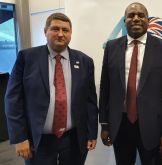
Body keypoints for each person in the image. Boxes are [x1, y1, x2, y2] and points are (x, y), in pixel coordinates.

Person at [5, 13, 98, 165]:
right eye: (55, 29)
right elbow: (13, 99)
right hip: (38, 140)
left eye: (65, 30)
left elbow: (90, 102)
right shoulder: (27, 58)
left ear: (70, 33)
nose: (60, 34)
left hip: (74, 139)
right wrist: (19, 137)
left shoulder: (85, 61)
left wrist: (91, 133)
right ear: (45, 31)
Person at [99, 2, 162, 165]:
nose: (136, 19)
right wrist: (104, 123)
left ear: (148, 20)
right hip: (120, 124)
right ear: (124, 20)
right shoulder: (112, 47)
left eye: (141, 15)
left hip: (152, 126)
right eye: (131, 16)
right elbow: (105, 87)